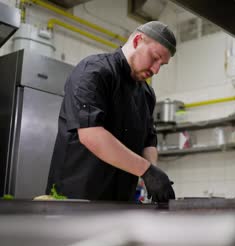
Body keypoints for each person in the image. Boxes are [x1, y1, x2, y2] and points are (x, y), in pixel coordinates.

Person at [46, 21, 176, 202]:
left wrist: (153, 174)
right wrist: (145, 170)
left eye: (162, 64)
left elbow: (148, 141)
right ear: (138, 40)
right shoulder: (94, 71)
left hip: (121, 201)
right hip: (77, 200)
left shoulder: (147, 94)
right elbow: (91, 134)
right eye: (155, 58)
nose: (156, 69)